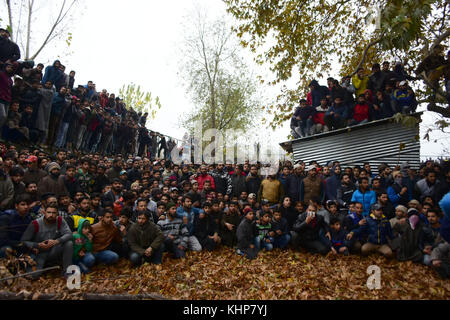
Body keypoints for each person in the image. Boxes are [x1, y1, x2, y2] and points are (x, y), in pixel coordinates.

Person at [20, 204, 73, 279]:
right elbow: (24, 241)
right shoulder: (35, 223)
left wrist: (57, 241)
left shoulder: (60, 220)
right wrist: (38, 245)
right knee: (33, 276)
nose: (51, 215)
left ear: (57, 213)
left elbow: (69, 234)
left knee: (69, 243)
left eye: (54, 213)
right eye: (49, 212)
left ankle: (67, 272)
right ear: (44, 213)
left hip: (54, 250)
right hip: (40, 252)